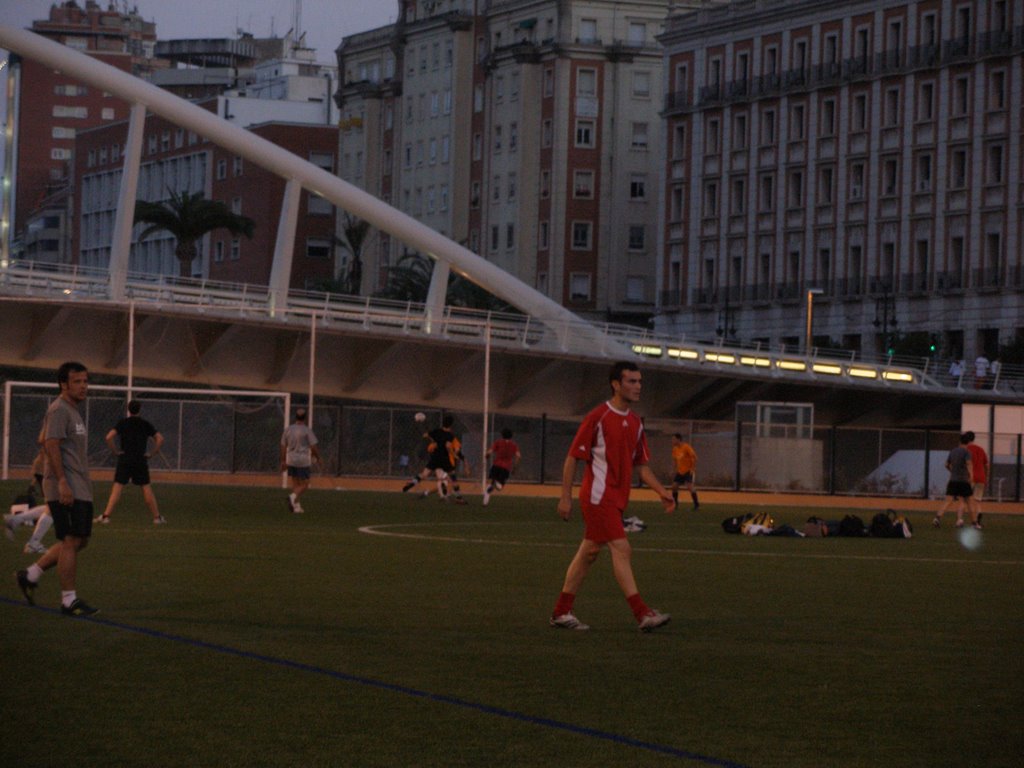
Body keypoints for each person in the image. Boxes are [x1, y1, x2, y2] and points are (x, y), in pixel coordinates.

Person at [549, 361, 675, 633]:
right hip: (597, 497)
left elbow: (641, 467)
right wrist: (565, 497)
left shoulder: (635, 423)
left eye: (639, 381)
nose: (637, 386)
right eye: (631, 381)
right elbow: (573, 458)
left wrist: (662, 492)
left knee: (589, 553)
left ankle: (561, 612)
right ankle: (643, 613)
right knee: (622, 548)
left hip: (617, 499)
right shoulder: (598, 417)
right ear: (616, 385)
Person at [15, 361, 99, 616]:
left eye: (85, 381)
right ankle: (68, 600)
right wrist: (62, 481)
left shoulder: (71, 410)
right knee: (71, 540)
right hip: (66, 485)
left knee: (79, 540)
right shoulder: (60, 409)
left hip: (80, 485)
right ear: (64, 384)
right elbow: (51, 444)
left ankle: (30, 574)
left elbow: (45, 438)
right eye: (77, 382)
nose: (83, 386)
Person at [95, 400, 166, 525]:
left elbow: (108, 437)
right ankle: (157, 518)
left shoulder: (123, 423)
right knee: (146, 488)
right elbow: (160, 438)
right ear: (139, 409)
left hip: (125, 458)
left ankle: (106, 516)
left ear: (129, 410)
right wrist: (152, 453)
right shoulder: (145, 424)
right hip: (140, 459)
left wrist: (116, 451)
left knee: (117, 488)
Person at [402, 415, 467, 503]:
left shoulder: (436, 431)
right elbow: (448, 446)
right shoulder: (450, 435)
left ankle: (412, 483)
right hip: (445, 459)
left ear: (443, 423)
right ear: (451, 425)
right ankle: (459, 498)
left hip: (435, 458)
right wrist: (454, 455)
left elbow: (425, 435)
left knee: (424, 474)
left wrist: (432, 438)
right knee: (453, 477)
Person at [933, 432, 980, 530]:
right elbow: (968, 464)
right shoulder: (967, 452)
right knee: (970, 501)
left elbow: (946, 464)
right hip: (963, 480)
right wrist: (971, 475)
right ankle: (974, 523)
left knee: (948, 500)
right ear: (968, 442)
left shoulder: (953, 451)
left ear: (960, 441)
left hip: (953, 480)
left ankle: (937, 518)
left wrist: (952, 471)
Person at [280, 407, 320, 514]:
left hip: (291, 459)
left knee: (295, 482)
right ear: (305, 418)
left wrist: (283, 460)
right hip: (302, 460)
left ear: (295, 417)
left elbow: (283, 446)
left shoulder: (288, 429)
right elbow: (313, 446)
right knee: (305, 484)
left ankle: (296, 506)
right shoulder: (307, 430)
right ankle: (292, 497)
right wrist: (318, 458)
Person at [483, 428, 521, 505]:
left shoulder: (498, 442)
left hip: (496, 465)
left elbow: (489, 452)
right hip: (506, 467)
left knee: (490, 484)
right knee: (500, 487)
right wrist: (515, 467)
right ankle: (496, 484)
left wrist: (487, 456)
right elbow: (518, 456)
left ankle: (485, 500)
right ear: (511, 436)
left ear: (502, 435)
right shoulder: (514, 445)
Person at [964, 430, 989, 527]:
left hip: (971, 478)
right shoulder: (981, 449)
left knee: (968, 500)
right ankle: (978, 521)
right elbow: (987, 465)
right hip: (981, 477)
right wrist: (986, 476)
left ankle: (972, 521)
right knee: (977, 500)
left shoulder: (966, 449)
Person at [670, 433, 700, 510]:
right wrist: (673, 470)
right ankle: (675, 504)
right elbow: (675, 461)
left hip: (688, 471)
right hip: (680, 471)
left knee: (690, 487)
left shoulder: (686, 447)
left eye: (674, 439)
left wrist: (693, 468)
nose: (672, 441)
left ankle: (696, 505)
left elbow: (694, 457)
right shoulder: (675, 449)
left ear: (678, 439)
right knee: (674, 486)